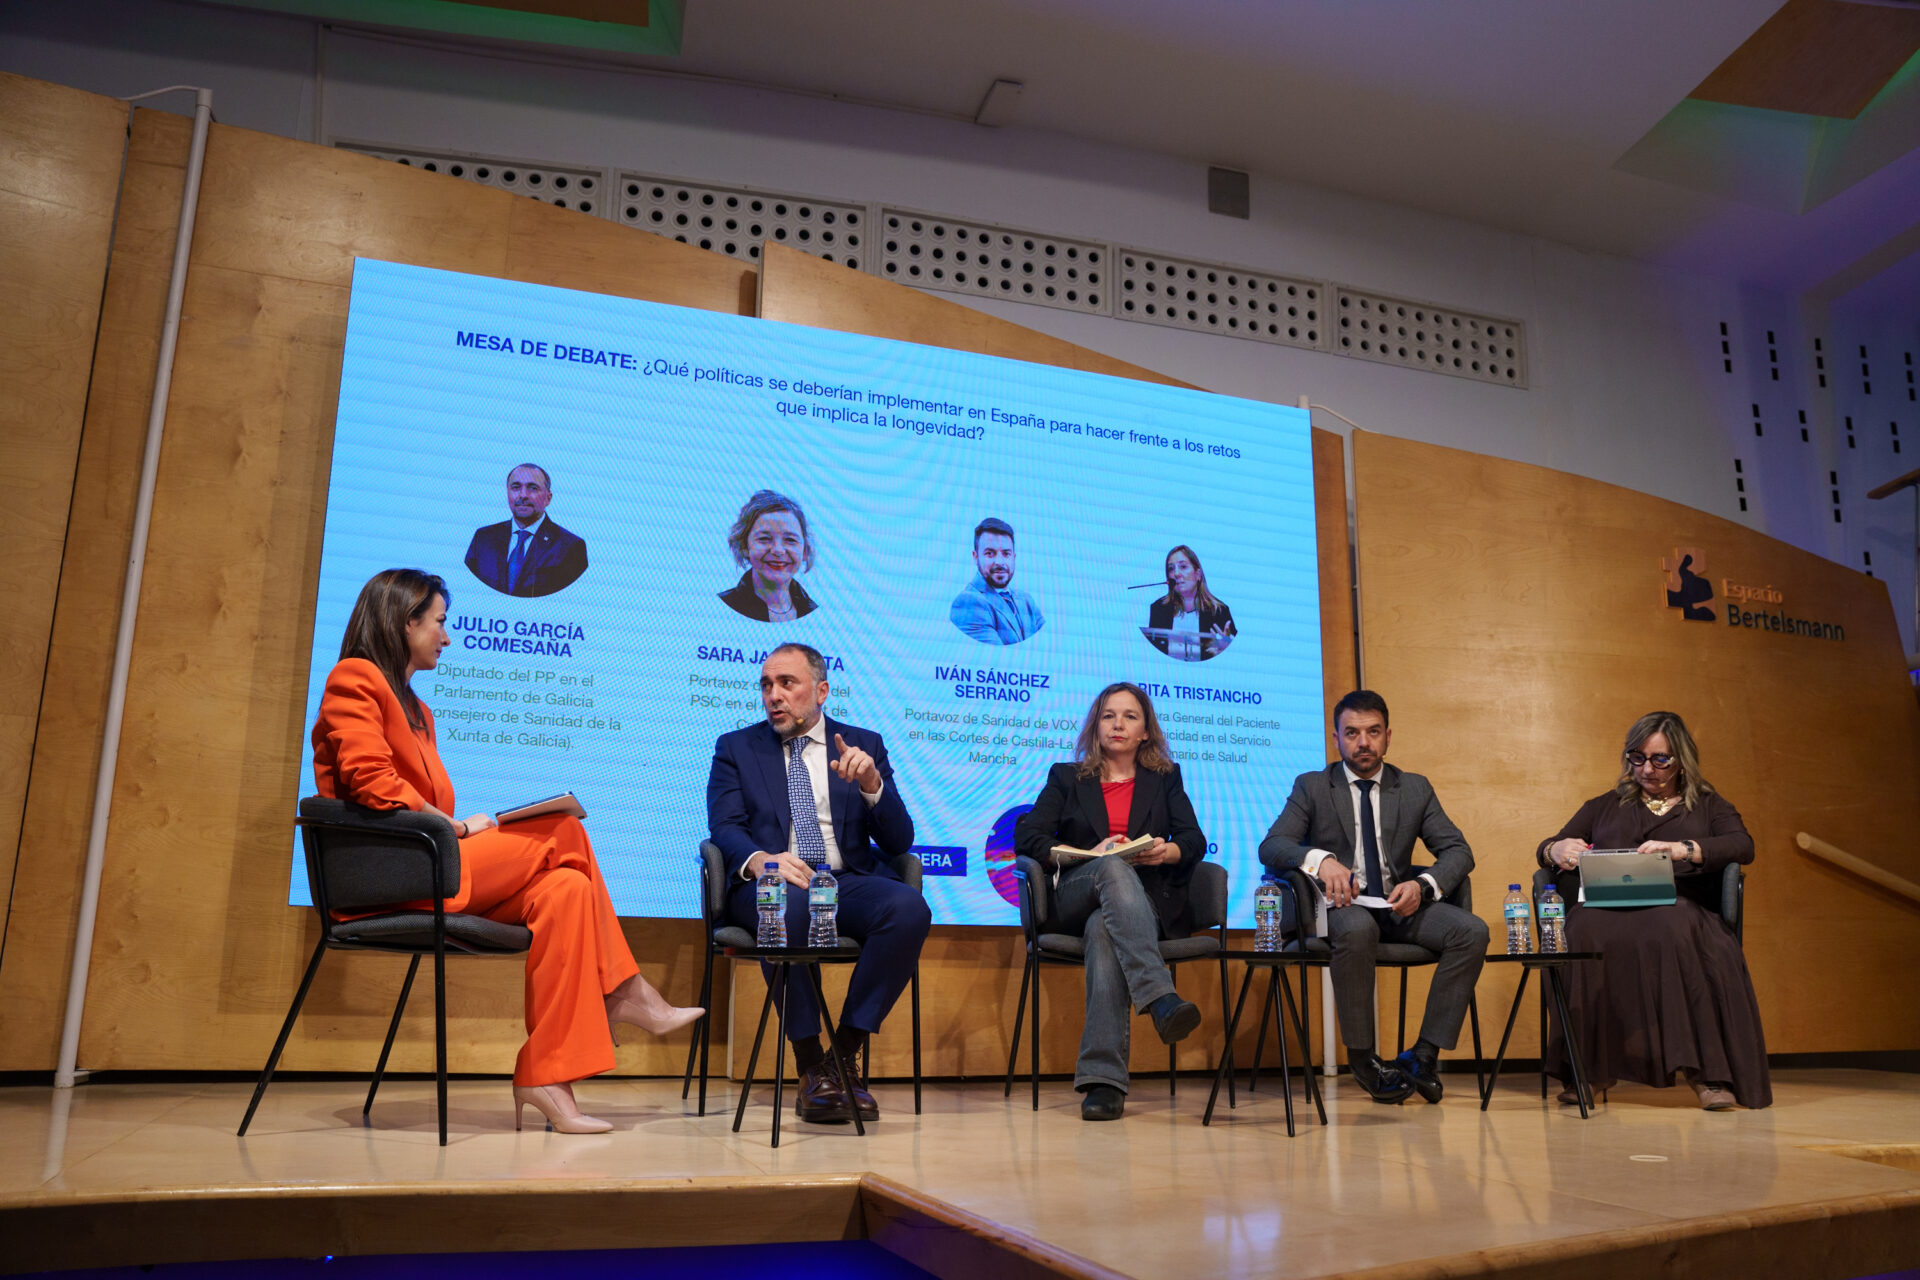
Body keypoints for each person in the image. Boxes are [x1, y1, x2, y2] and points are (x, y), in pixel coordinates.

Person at [311, 569, 700, 1133]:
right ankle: (622, 989)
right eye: (440, 622)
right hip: (393, 874)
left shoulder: (419, 711)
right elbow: (369, 780)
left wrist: (450, 826)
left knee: (567, 890)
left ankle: (548, 1076)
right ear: (405, 621)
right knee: (564, 831)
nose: (447, 637)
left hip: (430, 864)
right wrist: (451, 824)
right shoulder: (355, 676)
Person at [706, 643, 930, 1123]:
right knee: (784, 907)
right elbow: (724, 827)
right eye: (766, 685)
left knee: (908, 907)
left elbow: (899, 841)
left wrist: (872, 786)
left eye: (787, 683)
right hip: (771, 884)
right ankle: (809, 1062)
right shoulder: (736, 748)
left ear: (822, 691)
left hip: (843, 880)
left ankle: (841, 1058)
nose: (773, 695)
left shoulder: (862, 745)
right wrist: (762, 859)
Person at [1259, 690, 1486, 1105]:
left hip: (1398, 906)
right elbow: (1272, 846)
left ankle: (1422, 1055)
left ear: (1388, 736)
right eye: (1352, 733)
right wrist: (1320, 860)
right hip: (1342, 908)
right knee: (1358, 928)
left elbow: (1458, 851)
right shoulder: (1313, 786)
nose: (1363, 742)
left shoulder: (1414, 788)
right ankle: (1363, 1060)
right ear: (1336, 739)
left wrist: (1423, 886)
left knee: (1471, 932)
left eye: (1373, 732)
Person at [1536, 711, 1768, 1110]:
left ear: (1682, 760)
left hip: (1681, 907)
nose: (1647, 769)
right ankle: (1588, 1070)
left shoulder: (1709, 806)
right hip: (1606, 908)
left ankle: (1707, 1074)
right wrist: (1553, 849)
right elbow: (1552, 845)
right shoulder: (1603, 806)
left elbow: (1742, 845)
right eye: (1638, 758)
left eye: (1660, 759)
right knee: (1580, 930)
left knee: (1671, 926)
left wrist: (1685, 849)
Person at [1012, 682, 1207, 1121]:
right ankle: (1159, 996)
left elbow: (1193, 839)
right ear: (1096, 726)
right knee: (1111, 868)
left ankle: (1103, 1083)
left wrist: (1166, 851)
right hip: (1076, 893)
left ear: (1145, 731)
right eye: (1108, 715)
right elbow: (1027, 837)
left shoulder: (1165, 779)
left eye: (1130, 716)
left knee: (1104, 928)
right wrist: (1090, 853)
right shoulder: (1067, 777)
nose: (1118, 724)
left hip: (1142, 904)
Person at [464, 464, 589, 598]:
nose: (523, 495)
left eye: (533, 488)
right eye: (516, 487)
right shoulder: (483, 539)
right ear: (508, 493)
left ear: (548, 498)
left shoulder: (571, 547)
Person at [718, 490, 820, 622]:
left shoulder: (815, 613)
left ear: (805, 550)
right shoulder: (720, 607)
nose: (778, 550)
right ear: (744, 546)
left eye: (790, 540)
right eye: (765, 538)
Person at [949, 517, 1045, 645]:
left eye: (1006, 554)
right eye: (990, 553)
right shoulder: (968, 602)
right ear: (975, 557)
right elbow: (996, 656)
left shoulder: (1027, 601)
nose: (1000, 562)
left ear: (1014, 557)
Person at [1146, 544, 1235, 661]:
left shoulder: (1219, 611)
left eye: (1183, 566)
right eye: (1171, 569)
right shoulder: (1158, 609)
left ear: (1198, 574)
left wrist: (1225, 650)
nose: (1176, 573)